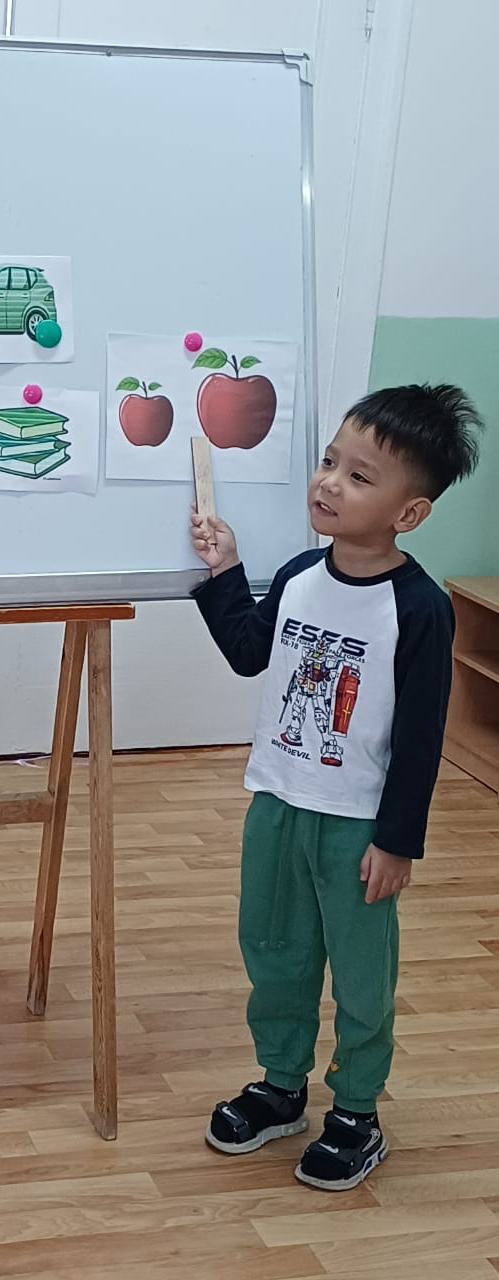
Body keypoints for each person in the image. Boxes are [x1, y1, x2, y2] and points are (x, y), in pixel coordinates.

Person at [189, 383, 483, 1191]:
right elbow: (249, 652)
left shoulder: (419, 608)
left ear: (409, 512)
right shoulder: (297, 576)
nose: (328, 483)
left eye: (359, 476)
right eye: (329, 462)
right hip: (277, 804)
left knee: (360, 975)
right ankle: (281, 1085)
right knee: (274, 952)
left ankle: (356, 1111)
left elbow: (422, 738)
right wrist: (225, 569)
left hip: (358, 828)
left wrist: (398, 842)